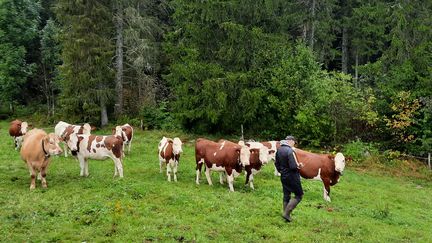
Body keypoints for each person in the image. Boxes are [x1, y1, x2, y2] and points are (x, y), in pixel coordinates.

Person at [275, 135, 303, 222]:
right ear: (290, 141)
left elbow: (277, 164)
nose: (294, 144)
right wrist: (299, 166)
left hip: (283, 176)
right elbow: (293, 166)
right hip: (292, 176)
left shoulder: (279, 150)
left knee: (286, 195)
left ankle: (285, 215)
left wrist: (282, 171)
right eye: (294, 142)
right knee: (299, 195)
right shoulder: (290, 151)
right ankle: (286, 213)